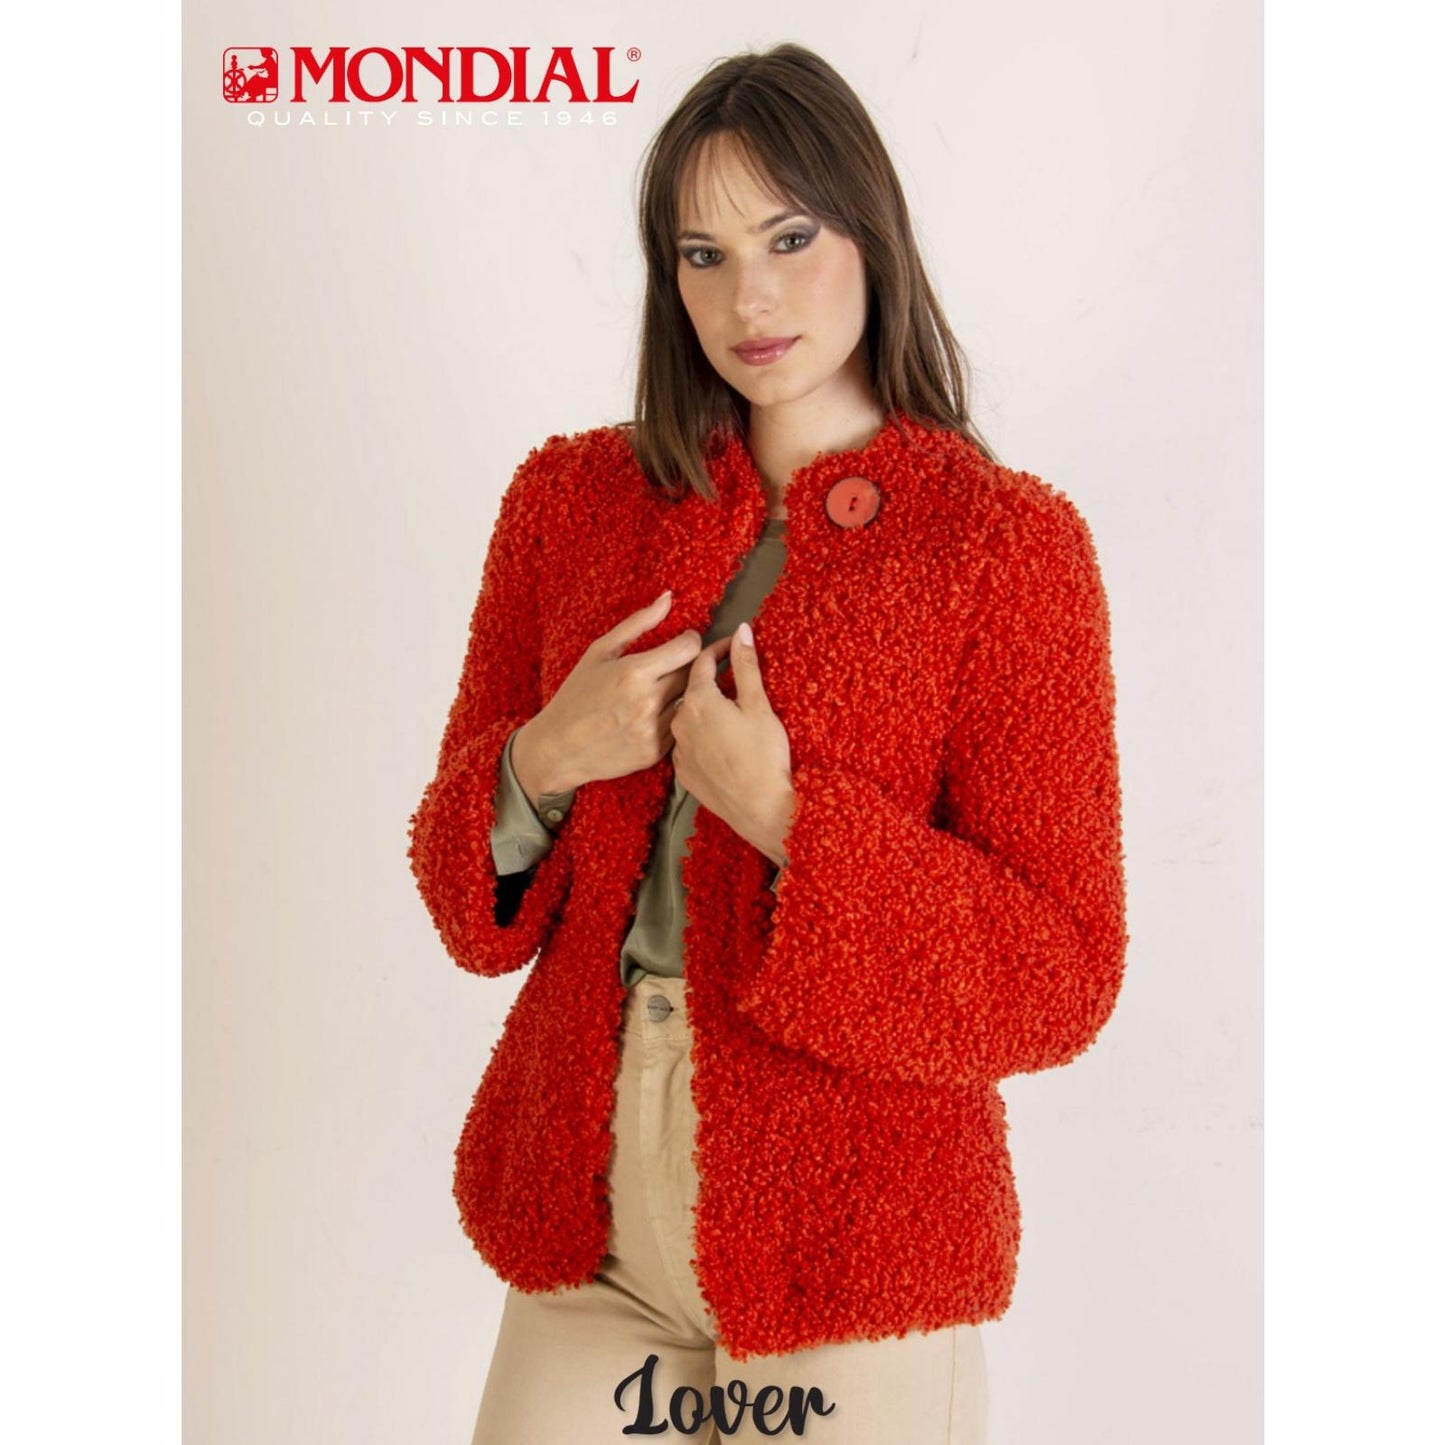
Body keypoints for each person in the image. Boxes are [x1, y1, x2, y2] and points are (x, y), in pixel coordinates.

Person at [407, 42, 1128, 1445]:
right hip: (587, 1215)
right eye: (705, 254)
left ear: (871, 234)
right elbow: (462, 904)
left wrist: (791, 818)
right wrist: (544, 757)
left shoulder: (1004, 549)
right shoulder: (570, 503)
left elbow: (1061, 972)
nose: (750, 298)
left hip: (854, 1238)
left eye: (790, 238)